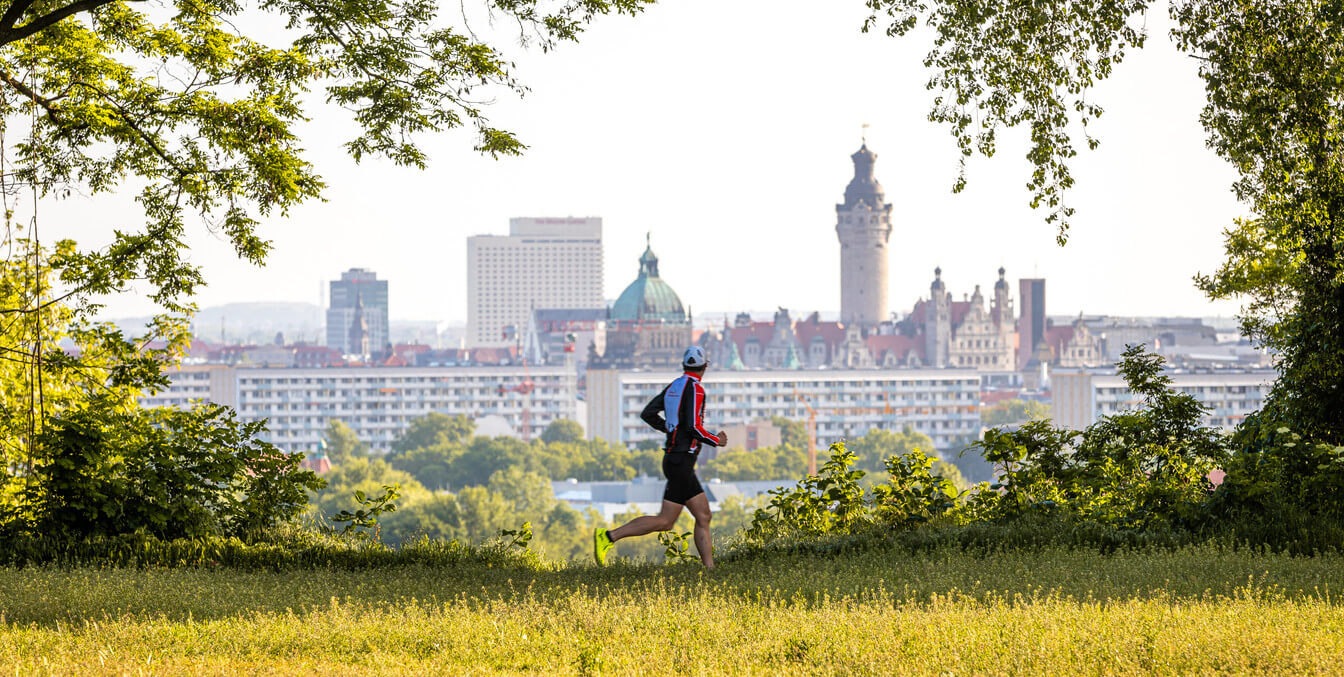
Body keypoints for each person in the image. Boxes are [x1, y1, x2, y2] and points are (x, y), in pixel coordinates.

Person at [593, 346, 726, 568]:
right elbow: (694, 426)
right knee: (677, 519)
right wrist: (715, 440)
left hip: (675, 461)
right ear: (705, 367)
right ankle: (608, 537)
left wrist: (669, 429)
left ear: (684, 365)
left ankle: (710, 571)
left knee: (694, 518)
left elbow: (648, 414)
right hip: (682, 462)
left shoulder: (674, 386)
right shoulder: (696, 390)